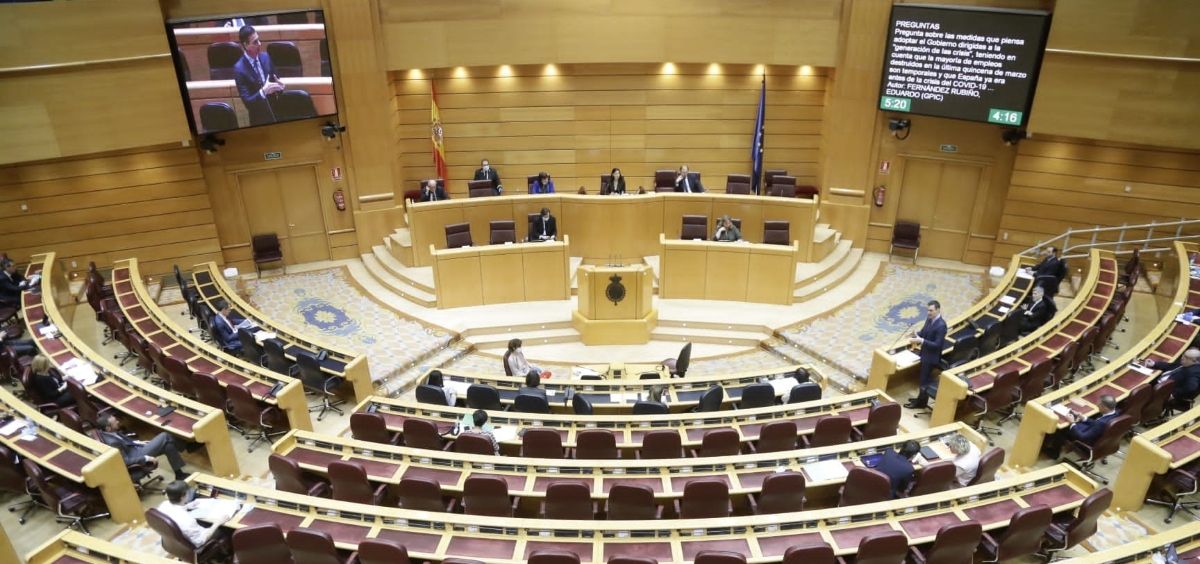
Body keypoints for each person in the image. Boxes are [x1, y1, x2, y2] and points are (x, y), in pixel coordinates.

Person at [97, 414, 191, 481]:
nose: (118, 422)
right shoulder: (112, 442)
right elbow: (125, 460)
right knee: (165, 435)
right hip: (138, 455)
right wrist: (146, 458)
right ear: (108, 428)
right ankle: (187, 447)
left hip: (136, 448)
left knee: (168, 445)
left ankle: (179, 474)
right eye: (115, 422)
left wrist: (138, 442)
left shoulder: (109, 433)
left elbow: (123, 441)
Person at [232, 25, 285, 127]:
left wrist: (280, 87)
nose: (259, 44)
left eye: (258, 40)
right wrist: (263, 92)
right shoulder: (239, 69)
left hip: (276, 114)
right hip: (258, 120)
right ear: (246, 45)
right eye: (255, 42)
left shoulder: (266, 57)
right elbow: (248, 102)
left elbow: (276, 82)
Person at [905, 300, 947, 409]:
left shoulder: (941, 326)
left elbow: (937, 345)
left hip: (931, 358)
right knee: (922, 379)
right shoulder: (929, 319)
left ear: (938, 310)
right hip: (925, 354)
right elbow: (923, 333)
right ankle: (920, 399)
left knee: (924, 381)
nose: (928, 313)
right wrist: (915, 334)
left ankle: (921, 403)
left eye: (931, 310)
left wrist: (921, 340)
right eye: (928, 310)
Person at [156, 481, 222, 547]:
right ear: (182, 497)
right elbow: (200, 541)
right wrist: (217, 523)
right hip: (195, 544)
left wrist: (188, 506)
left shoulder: (163, 505)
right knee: (223, 529)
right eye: (188, 492)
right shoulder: (188, 520)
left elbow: (174, 510)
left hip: (172, 541)